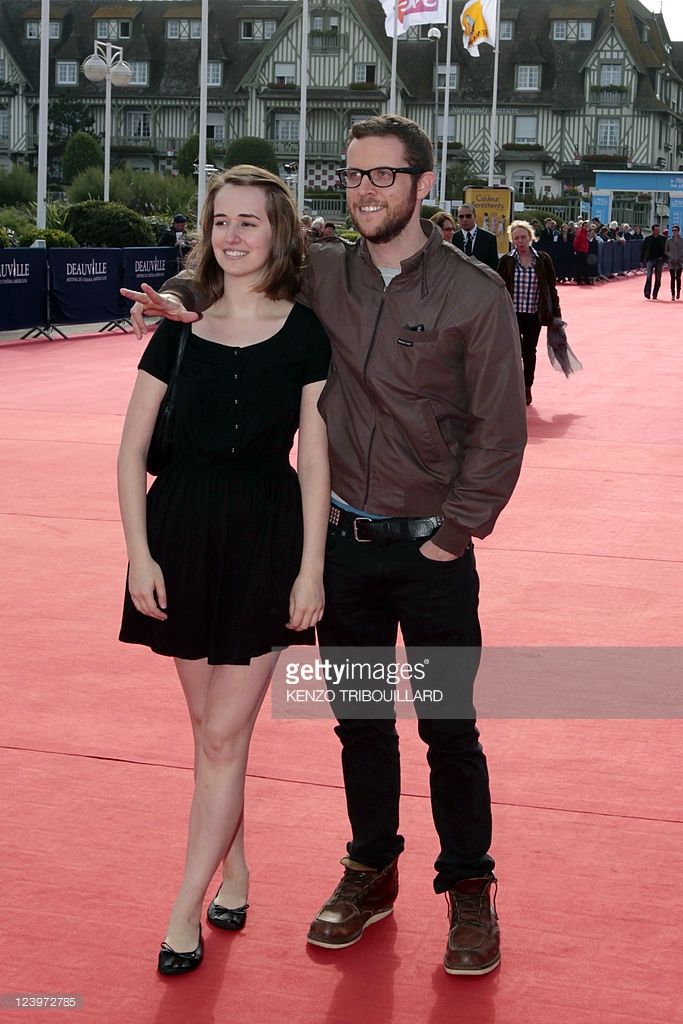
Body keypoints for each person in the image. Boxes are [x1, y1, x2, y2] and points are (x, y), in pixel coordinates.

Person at [126, 114, 527, 977]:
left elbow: (499, 430)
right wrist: (178, 298)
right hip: (340, 546)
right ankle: (370, 869)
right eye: (351, 175)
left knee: (448, 728)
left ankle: (467, 886)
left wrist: (453, 536)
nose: (364, 191)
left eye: (383, 175)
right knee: (361, 726)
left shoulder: (474, 294)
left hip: (431, 557)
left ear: (422, 183)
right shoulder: (326, 275)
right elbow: (240, 268)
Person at [118, 165, 331, 976]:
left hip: (267, 540)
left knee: (219, 736)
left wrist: (311, 570)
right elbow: (131, 451)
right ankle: (234, 870)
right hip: (180, 536)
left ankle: (183, 910)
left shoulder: (305, 333)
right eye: (220, 222)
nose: (232, 236)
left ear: (279, 233)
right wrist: (139, 553)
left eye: (249, 221)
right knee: (211, 732)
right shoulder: (179, 327)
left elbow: (315, 462)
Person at [496, 219, 563, 406]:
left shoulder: (543, 259)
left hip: (534, 313)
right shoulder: (507, 260)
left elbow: (551, 288)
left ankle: (527, 386)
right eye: (516, 238)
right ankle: (513, 386)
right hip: (512, 314)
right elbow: (498, 288)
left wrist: (556, 313)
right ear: (512, 240)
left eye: (523, 237)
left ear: (530, 237)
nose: (520, 241)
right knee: (512, 351)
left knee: (529, 351)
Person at [452, 203, 499, 269]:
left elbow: (493, 266)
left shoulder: (489, 238)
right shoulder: (453, 238)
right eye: (461, 216)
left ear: (475, 217)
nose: (465, 219)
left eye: (468, 216)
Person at [641, 224, 666, 299]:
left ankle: (655, 294)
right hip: (650, 260)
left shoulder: (662, 238)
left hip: (659, 260)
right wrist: (641, 260)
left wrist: (665, 259)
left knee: (658, 278)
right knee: (649, 277)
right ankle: (647, 293)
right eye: (656, 230)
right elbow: (643, 250)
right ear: (653, 231)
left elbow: (665, 249)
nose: (658, 231)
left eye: (658, 230)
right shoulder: (648, 239)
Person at [665, 223, 683, 300]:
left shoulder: (682, 240)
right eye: (673, 230)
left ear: (678, 231)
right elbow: (666, 250)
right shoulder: (669, 240)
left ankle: (678, 291)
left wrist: (681, 257)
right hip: (671, 262)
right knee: (672, 278)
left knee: (678, 277)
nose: (674, 232)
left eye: (675, 230)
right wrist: (670, 255)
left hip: (680, 262)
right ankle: (673, 294)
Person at [572, 220, 590, 284]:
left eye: (587, 226)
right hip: (580, 251)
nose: (586, 227)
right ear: (582, 226)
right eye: (585, 226)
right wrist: (576, 250)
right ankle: (579, 280)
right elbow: (576, 242)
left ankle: (586, 279)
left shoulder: (586, 233)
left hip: (585, 251)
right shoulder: (580, 233)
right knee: (580, 266)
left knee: (585, 266)